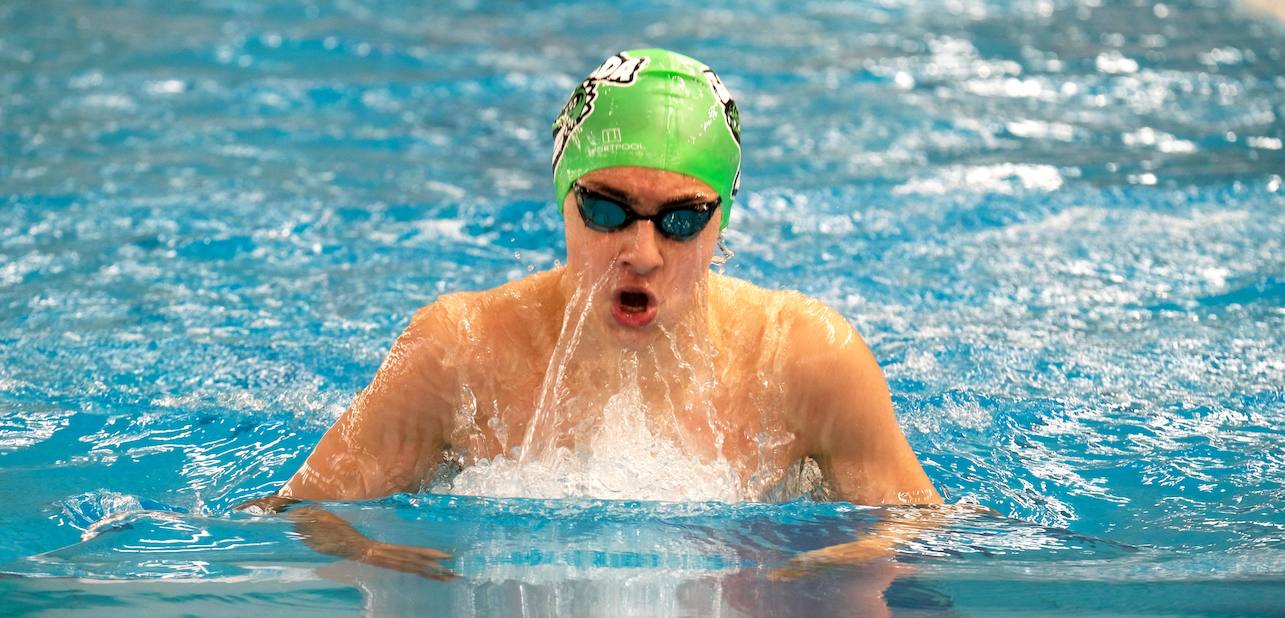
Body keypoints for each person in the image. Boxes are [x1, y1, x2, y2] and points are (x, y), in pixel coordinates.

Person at [250, 49, 941, 573]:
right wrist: (384, 563)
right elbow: (300, 515)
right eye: (607, 209)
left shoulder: (806, 356)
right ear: (563, 197)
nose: (640, 252)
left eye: (680, 220)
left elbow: (919, 529)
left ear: (722, 219)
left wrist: (809, 571)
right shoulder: (458, 349)